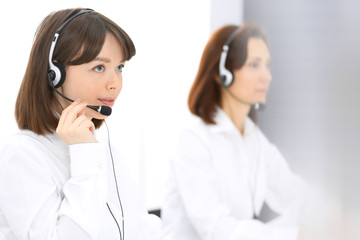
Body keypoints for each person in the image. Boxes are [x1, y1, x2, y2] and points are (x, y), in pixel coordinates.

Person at [0, 8, 164, 240]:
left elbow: (141, 229)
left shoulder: (103, 149)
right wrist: (84, 155)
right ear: (54, 74)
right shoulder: (23, 155)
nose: (114, 83)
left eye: (119, 67)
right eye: (99, 67)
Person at [161, 24, 306, 240]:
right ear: (222, 74)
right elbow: (217, 228)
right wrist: (296, 236)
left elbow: (294, 195)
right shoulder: (193, 141)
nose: (267, 76)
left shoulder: (253, 139)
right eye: (254, 65)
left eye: (267, 65)